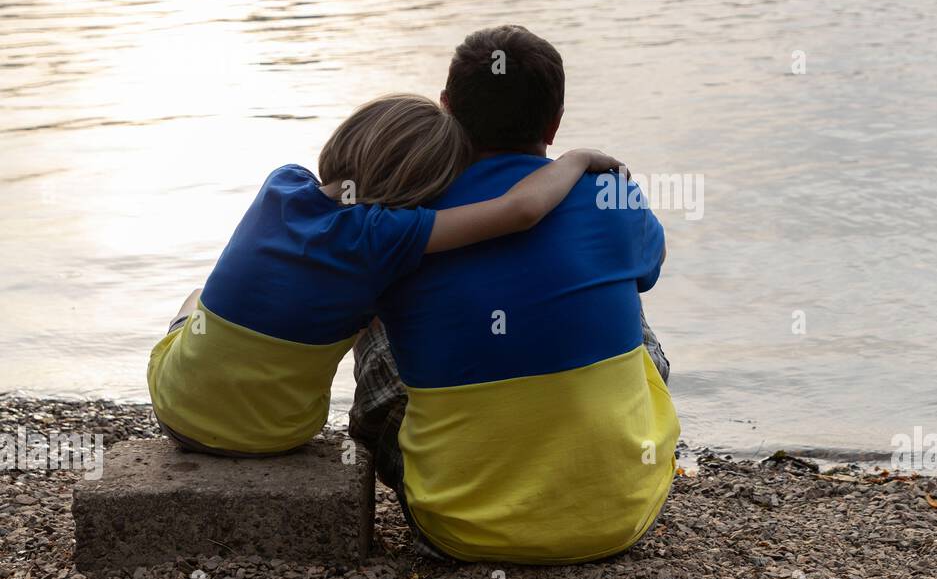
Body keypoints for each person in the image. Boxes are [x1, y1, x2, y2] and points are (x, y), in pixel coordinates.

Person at [352, 25, 679, 564]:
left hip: (459, 528)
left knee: (376, 313)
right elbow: (650, 267)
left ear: (446, 108)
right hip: (623, 516)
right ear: (554, 124)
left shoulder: (405, 206)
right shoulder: (612, 192)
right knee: (626, 300)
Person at [147, 92, 622, 456]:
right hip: (275, 434)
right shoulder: (387, 236)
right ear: (428, 184)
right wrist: (574, 160)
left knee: (197, 298)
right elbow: (519, 210)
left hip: (175, 410)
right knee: (381, 304)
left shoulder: (282, 184)